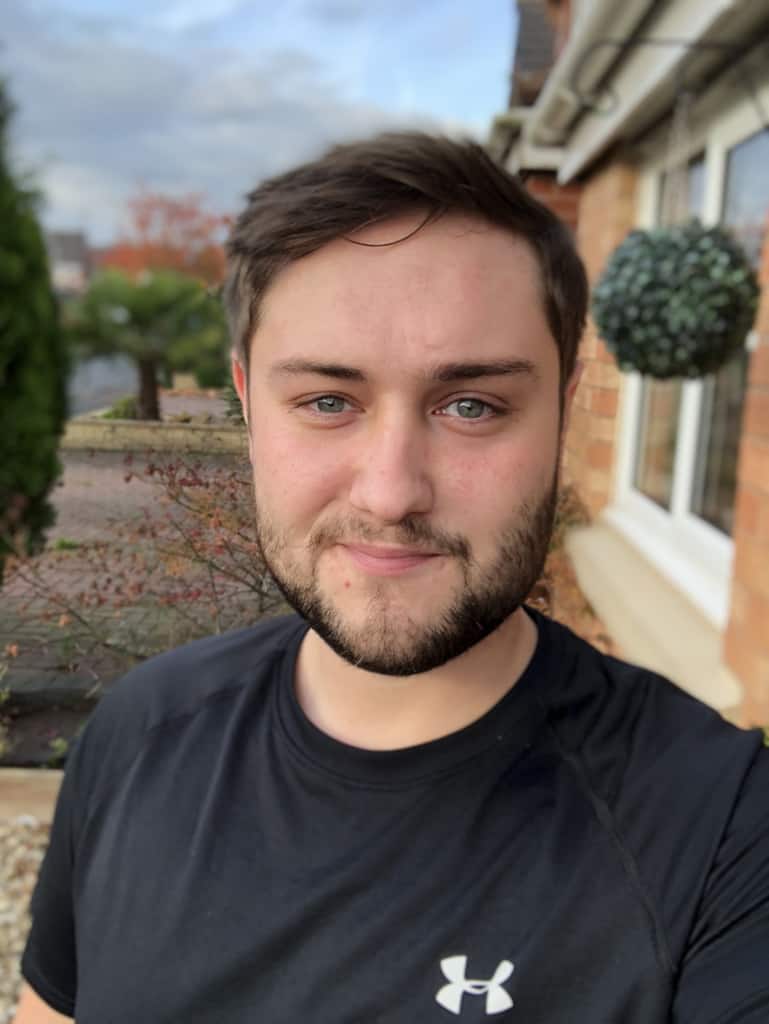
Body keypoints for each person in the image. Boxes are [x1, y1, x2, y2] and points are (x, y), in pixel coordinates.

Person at [14, 133, 769, 1024]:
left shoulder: (721, 831)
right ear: (248, 403)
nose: (391, 492)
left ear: (562, 411)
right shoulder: (142, 728)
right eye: (327, 402)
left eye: (472, 405)